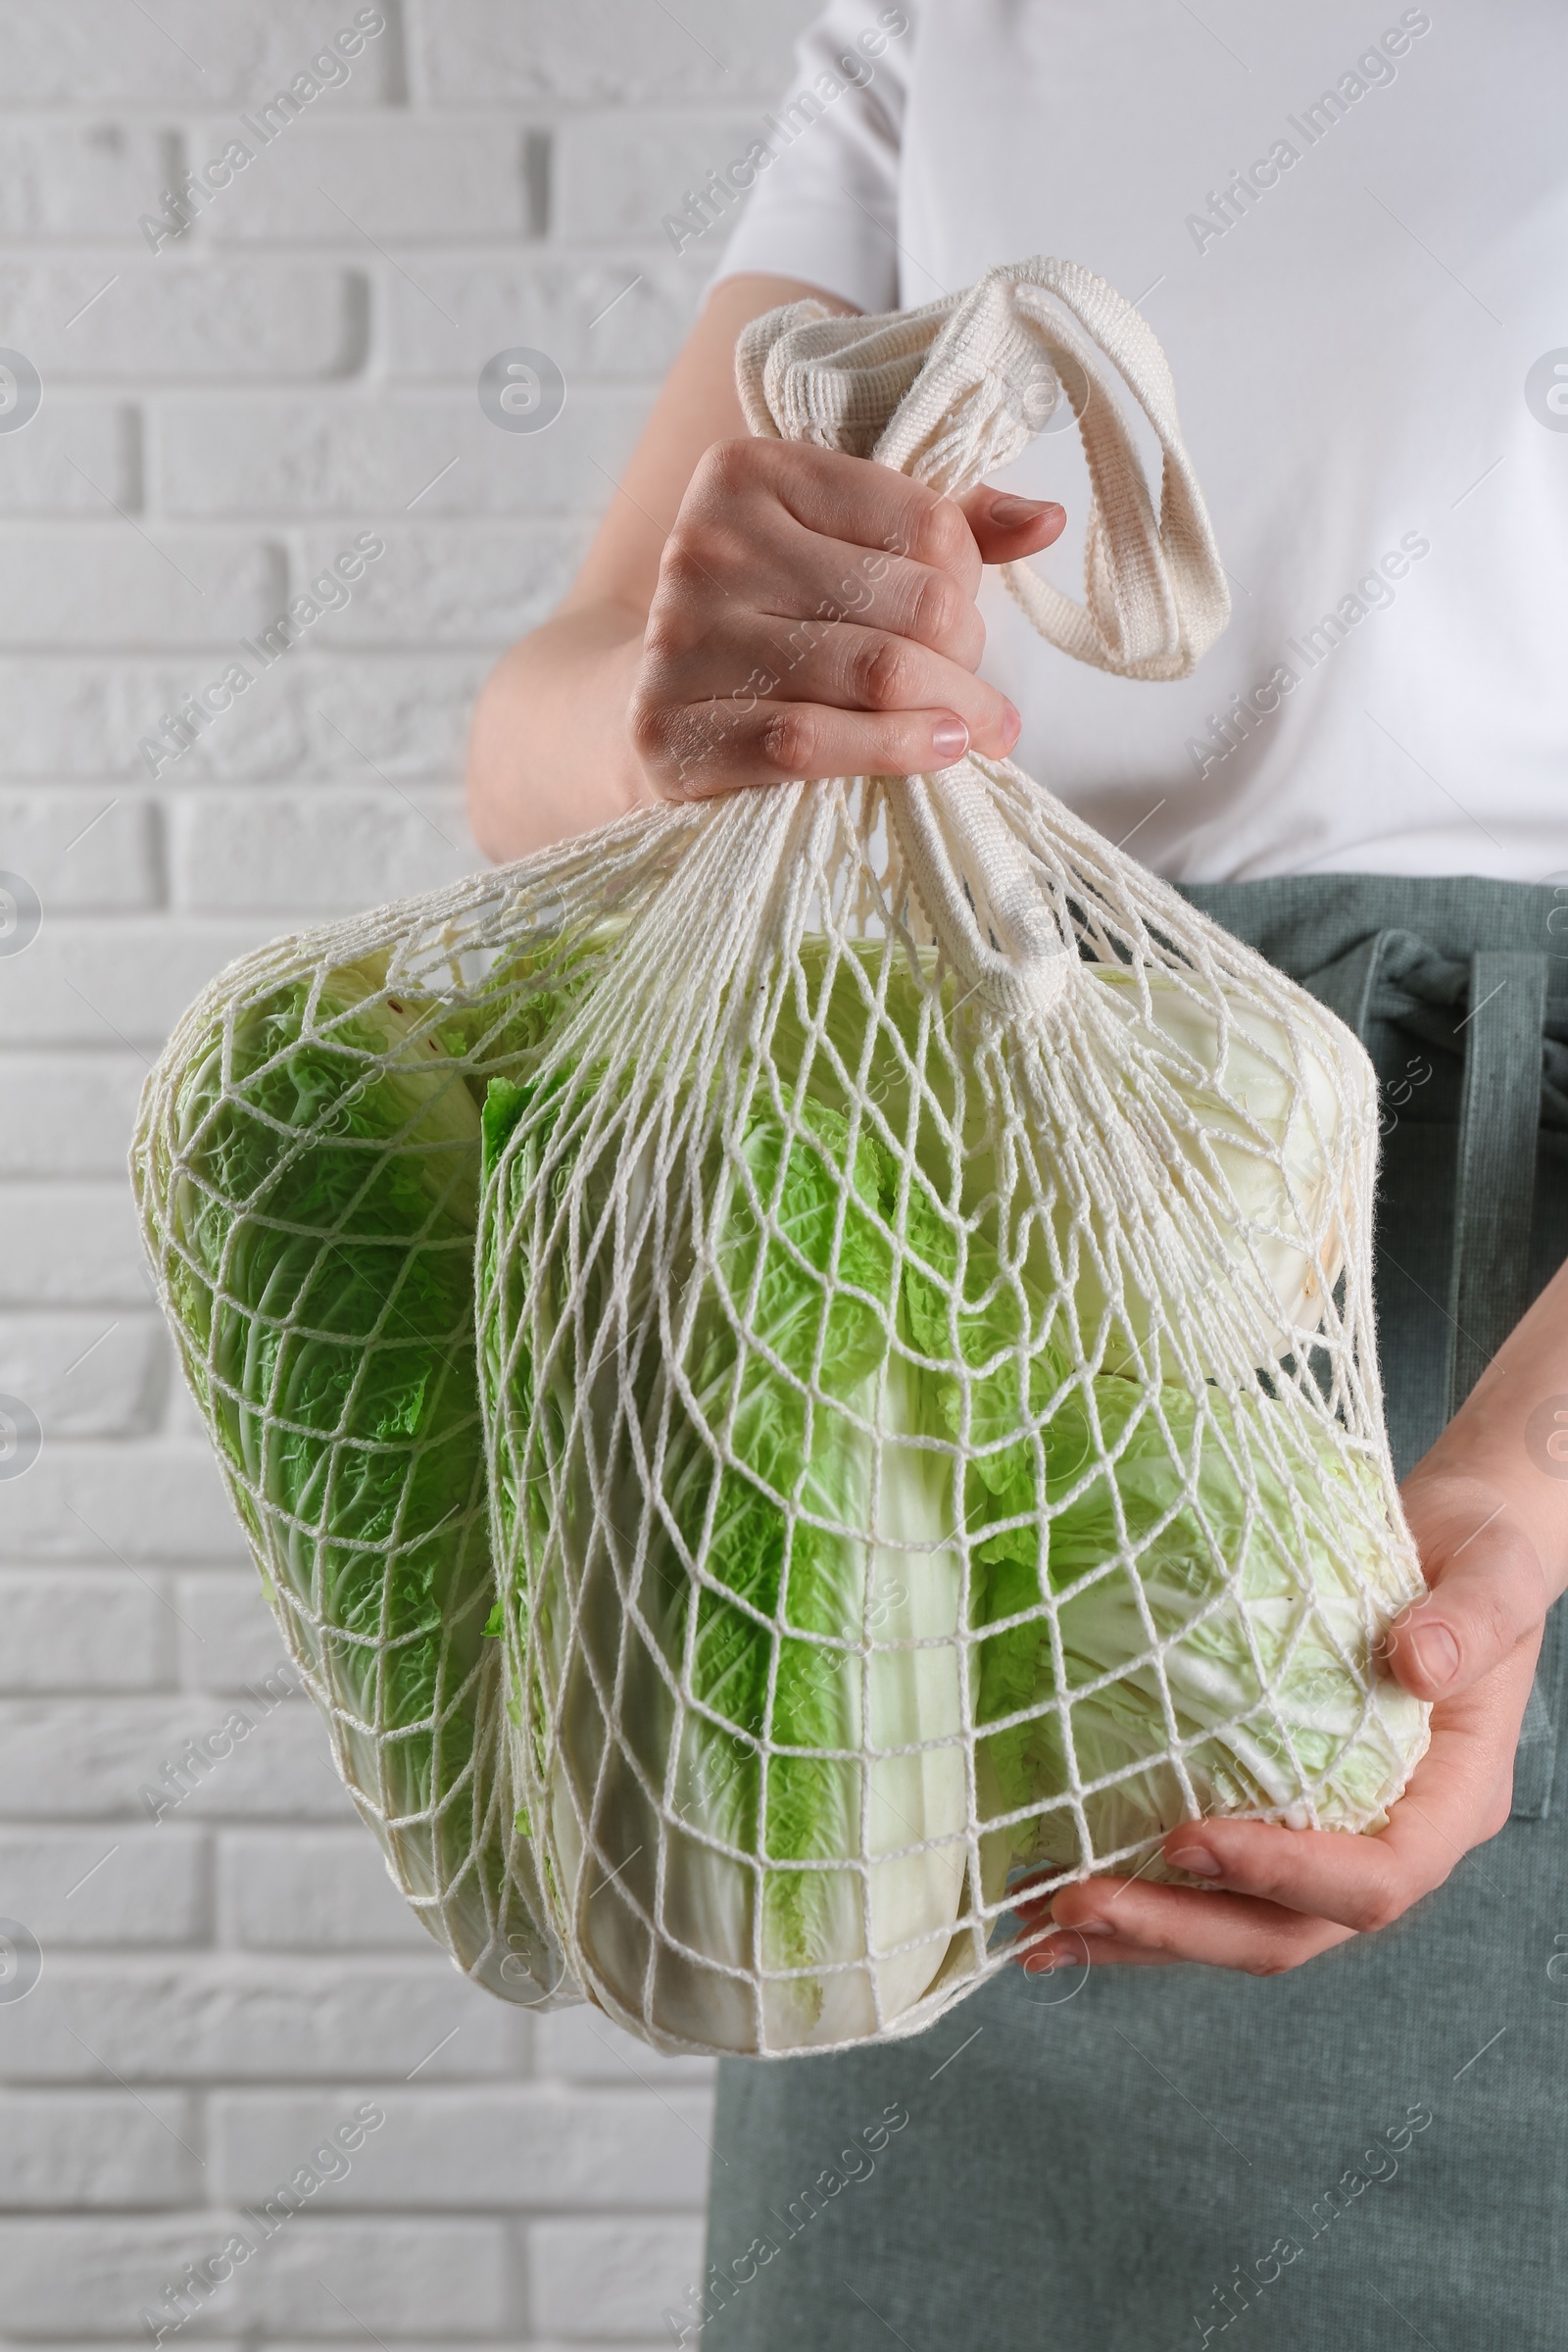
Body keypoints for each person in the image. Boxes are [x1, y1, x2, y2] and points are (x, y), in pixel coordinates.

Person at [467, 4, 1568, 2342]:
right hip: (975, 1327)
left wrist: (1522, 1486)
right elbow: (538, 739)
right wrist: (701, 703)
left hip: (1512, 1322)